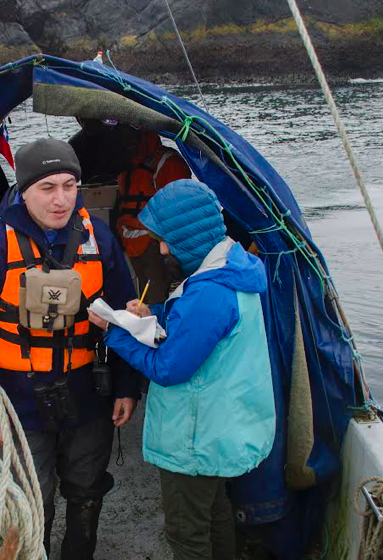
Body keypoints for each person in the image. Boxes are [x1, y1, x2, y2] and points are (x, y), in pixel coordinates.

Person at [0, 138, 140, 560]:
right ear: (24, 190)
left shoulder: (102, 240)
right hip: (19, 400)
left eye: (69, 185)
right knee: (30, 498)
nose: (61, 199)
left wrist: (126, 388)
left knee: (87, 490)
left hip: (88, 394)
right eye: (47, 187)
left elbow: (125, 318)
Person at [88, 179, 276, 560]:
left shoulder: (211, 292)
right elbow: (193, 322)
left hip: (197, 439)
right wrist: (152, 314)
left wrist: (114, 332)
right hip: (222, 428)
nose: (160, 248)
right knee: (216, 513)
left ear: (189, 236)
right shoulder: (231, 269)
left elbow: (169, 368)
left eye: (165, 239)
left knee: (186, 532)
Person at [114, 127, 191, 304]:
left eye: (130, 136)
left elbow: (178, 211)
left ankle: (159, 328)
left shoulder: (168, 163)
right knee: (144, 295)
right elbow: (122, 203)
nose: (126, 142)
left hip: (154, 245)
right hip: (131, 242)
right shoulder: (129, 164)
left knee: (156, 298)